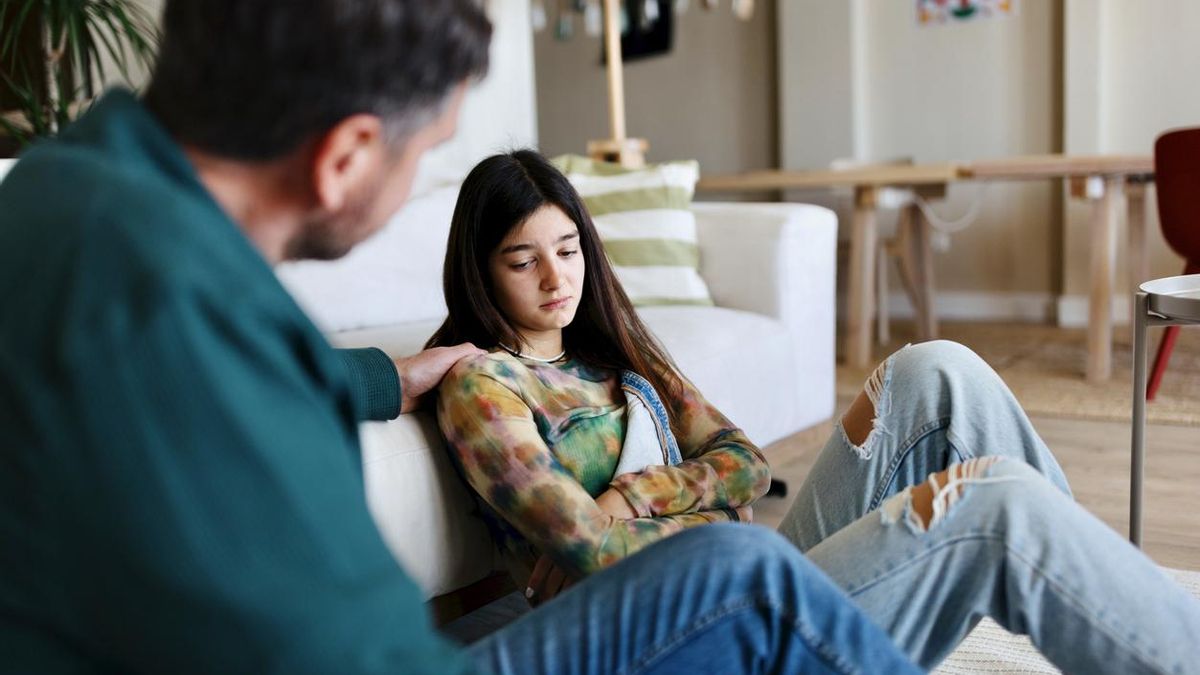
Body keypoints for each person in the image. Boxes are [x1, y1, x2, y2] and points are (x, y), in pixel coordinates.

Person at [0, 1, 921, 673]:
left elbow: (241, 360)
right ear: (346, 158)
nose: (414, 192)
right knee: (742, 570)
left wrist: (381, 376)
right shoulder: (173, 321)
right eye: (422, 154)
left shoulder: (59, 190)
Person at [430, 149, 1200, 673]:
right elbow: (595, 552)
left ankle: (1099, 608)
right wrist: (702, 505)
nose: (554, 277)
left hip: (745, 579)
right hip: (681, 633)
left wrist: (627, 494)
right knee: (991, 502)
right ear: (482, 270)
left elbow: (747, 462)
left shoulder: (616, 355)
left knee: (937, 369)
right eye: (522, 259)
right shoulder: (486, 387)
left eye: (567, 248)